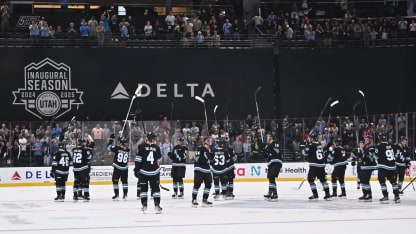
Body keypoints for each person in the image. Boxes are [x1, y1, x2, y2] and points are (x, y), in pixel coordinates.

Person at [134, 132, 163, 214]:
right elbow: (159, 158)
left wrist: (136, 169)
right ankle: (157, 205)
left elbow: (138, 159)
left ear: (147, 138)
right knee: (156, 189)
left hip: (144, 171)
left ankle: (144, 205)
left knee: (143, 189)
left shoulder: (141, 146)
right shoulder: (157, 147)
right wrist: (153, 147)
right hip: (154, 171)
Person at [301, 132, 331, 200]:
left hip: (314, 165)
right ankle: (328, 194)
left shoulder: (311, 145)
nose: (308, 139)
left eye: (309, 138)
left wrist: (304, 147)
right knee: (323, 180)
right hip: (322, 165)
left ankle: (315, 194)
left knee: (310, 180)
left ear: (312, 138)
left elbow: (304, 153)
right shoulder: (320, 145)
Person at [375, 132, 400, 203]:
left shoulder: (379, 146)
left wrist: (372, 154)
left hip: (383, 166)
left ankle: (385, 196)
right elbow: (397, 154)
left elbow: (376, 157)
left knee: (382, 181)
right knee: (393, 182)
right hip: (392, 166)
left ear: (379, 138)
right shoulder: (392, 144)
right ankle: (396, 195)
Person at [192, 136, 214, 207]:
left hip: (207, 169)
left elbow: (212, 161)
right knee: (197, 184)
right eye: (208, 140)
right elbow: (198, 159)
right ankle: (194, 199)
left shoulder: (210, 150)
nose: (210, 142)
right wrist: (206, 156)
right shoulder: (200, 148)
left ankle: (205, 199)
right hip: (199, 168)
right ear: (205, 141)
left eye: (211, 140)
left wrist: (211, 157)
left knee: (208, 184)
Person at [107, 134, 130, 200]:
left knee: (115, 181)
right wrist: (120, 140)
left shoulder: (117, 148)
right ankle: (125, 195)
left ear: (120, 142)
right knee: (125, 182)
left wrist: (111, 139)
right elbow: (124, 147)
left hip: (117, 168)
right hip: (125, 168)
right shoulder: (127, 149)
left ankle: (116, 195)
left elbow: (108, 147)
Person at [72, 136, 94, 201]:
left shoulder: (74, 149)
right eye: (84, 142)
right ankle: (86, 195)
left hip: (75, 168)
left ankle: (75, 195)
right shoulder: (85, 150)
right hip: (83, 168)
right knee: (85, 182)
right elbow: (89, 157)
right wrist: (89, 151)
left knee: (76, 182)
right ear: (82, 143)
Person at [263, 133, 283, 201]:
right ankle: (271, 192)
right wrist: (264, 151)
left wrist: (268, 149)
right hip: (271, 163)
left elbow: (276, 152)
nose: (266, 138)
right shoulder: (268, 145)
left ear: (271, 137)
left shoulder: (275, 143)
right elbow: (266, 156)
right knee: (270, 178)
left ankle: (275, 194)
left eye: (268, 136)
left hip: (276, 162)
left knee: (271, 176)